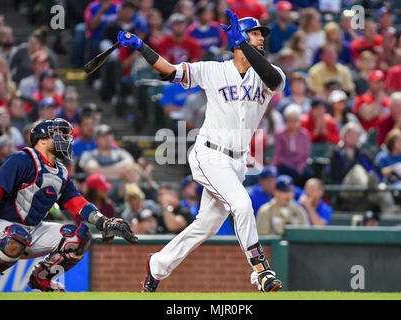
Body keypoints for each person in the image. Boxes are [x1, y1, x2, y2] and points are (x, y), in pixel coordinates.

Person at [117, 9, 286, 292]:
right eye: (255, 34)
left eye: (261, 35)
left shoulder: (271, 74)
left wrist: (242, 43)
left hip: (238, 162)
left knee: (205, 226)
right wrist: (141, 46)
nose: (261, 39)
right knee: (242, 204)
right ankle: (262, 270)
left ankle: (157, 266)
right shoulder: (214, 69)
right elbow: (171, 71)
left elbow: (270, 77)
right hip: (209, 154)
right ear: (238, 39)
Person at [0, 119, 137, 291]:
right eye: (59, 134)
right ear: (42, 139)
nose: (66, 139)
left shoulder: (61, 172)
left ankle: (42, 278)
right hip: (3, 226)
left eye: (65, 135)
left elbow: (77, 202)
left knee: (79, 236)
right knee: (16, 237)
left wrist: (104, 222)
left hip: (31, 231)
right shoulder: (22, 159)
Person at [329, 122, 398, 214]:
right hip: (346, 188)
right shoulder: (336, 153)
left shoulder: (363, 154)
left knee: (383, 189)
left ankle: (390, 217)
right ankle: (368, 187)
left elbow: (377, 170)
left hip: (369, 190)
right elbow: (335, 175)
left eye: (356, 135)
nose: (354, 137)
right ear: (344, 136)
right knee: (357, 169)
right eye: (351, 135)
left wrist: (377, 181)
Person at [79, 123, 134, 192]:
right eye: (103, 136)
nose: (107, 138)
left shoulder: (121, 153)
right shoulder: (88, 154)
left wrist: (101, 171)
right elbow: (92, 170)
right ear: (96, 140)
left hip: (121, 194)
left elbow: (129, 165)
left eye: (109, 135)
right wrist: (120, 174)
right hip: (99, 196)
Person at [273, 104, 313, 187]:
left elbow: (306, 155)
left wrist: (300, 167)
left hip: (300, 166)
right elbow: (279, 155)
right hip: (285, 166)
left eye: (294, 120)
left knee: (309, 176)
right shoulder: (279, 134)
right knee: (293, 175)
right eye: (289, 120)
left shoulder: (304, 134)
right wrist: (293, 167)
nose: (291, 123)